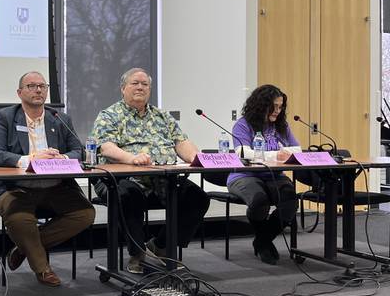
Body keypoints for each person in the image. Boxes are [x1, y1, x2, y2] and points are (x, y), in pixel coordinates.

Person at [0, 71, 95, 287]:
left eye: (42, 86)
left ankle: (24, 247)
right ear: (20, 92)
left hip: (54, 187)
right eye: (31, 86)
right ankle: (42, 268)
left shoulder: (59, 118)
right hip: (14, 188)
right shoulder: (6, 117)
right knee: (19, 218)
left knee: (85, 213)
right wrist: (30, 159)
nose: (38, 89)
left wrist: (63, 157)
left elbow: (78, 150)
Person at [91, 67, 210, 273]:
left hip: (161, 180)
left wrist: (197, 158)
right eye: (134, 83)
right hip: (122, 179)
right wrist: (132, 158)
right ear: (123, 88)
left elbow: (181, 142)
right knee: (128, 195)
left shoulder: (162, 116)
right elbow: (106, 147)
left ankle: (161, 246)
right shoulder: (109, 115)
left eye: (144, 84)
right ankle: (137, 254)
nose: (140, 87)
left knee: (197, 197)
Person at [227, 84, 301, 264]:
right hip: (244, 176)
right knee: (260, 201)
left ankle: (262, 240)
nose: (278, 111)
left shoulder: (282, 126)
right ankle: (264, 242)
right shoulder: (243, 125)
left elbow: (297, 149)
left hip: (274, 176)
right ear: (261, 105)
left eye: (280, 106)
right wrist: (277, 154)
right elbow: (243, 153)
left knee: (290, 201)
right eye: (274, 106)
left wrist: (282, 153)